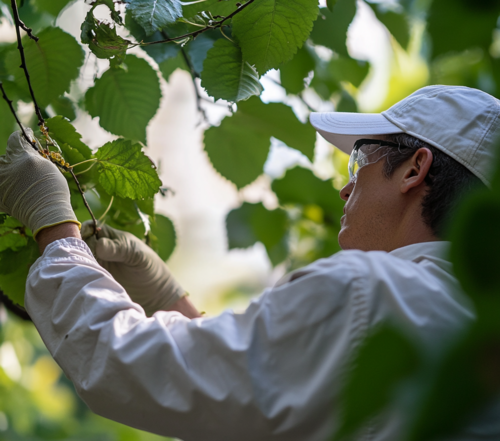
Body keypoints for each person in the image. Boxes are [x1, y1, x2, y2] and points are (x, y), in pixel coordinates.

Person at [0, 85, 499, 440]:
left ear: (415, 168)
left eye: (360, 159)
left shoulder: (369, 293)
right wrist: (168, 301)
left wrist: (55, 229)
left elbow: (134, 367)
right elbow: (262, 404)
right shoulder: (475, 325)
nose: (346, 187)